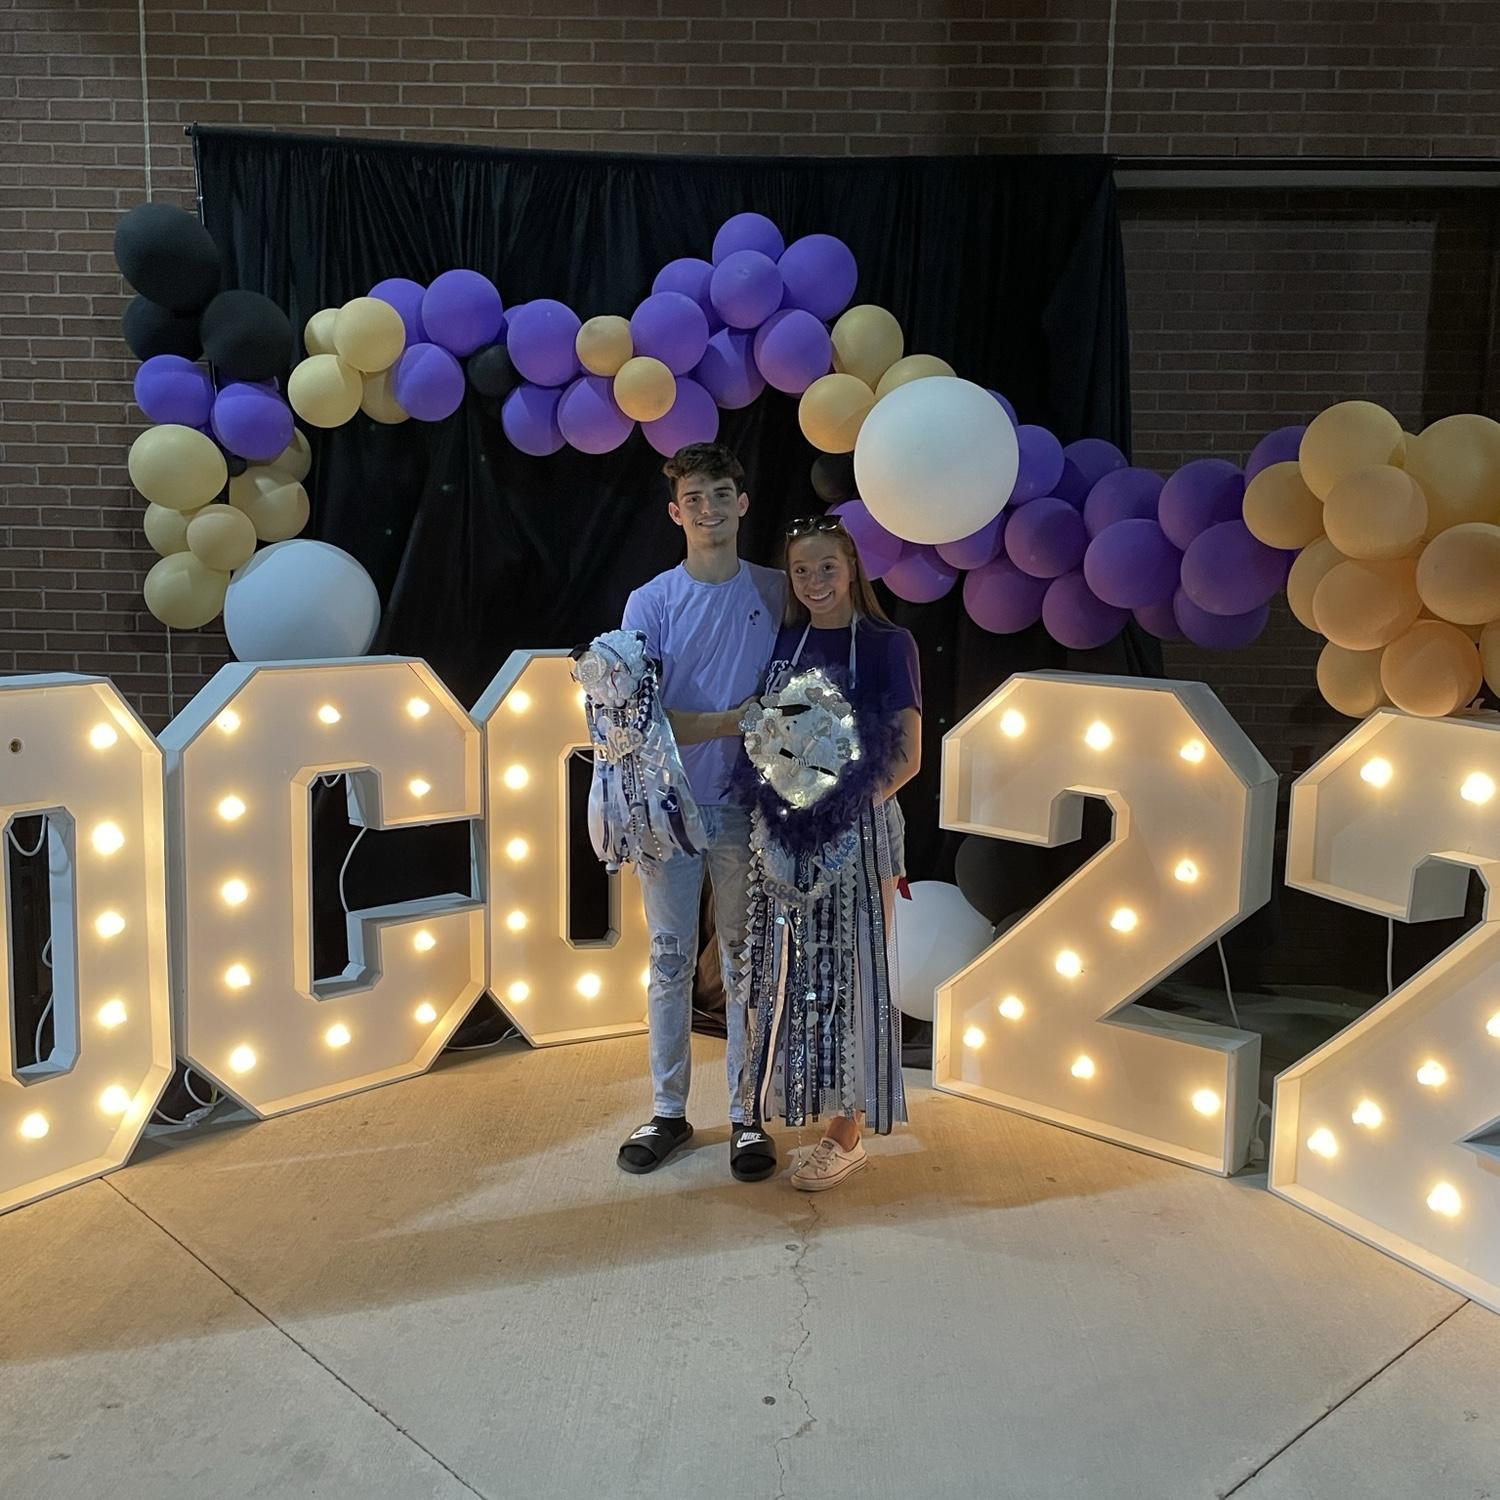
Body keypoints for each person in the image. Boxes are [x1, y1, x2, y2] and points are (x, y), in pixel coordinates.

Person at [615, 442, 786, 1182]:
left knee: (746, 963)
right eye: (694, 499)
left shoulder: (778, 591)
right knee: (670, 961)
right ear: (674, 513)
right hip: (671, 812)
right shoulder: (650, 602)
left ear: (741, 503)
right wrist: (732, 721)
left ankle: (748, 1115)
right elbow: (637, 718)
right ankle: (668, 1111)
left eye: (720, 494)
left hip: (750, 811)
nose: (708, 509)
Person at [740, 514, 922, 1191]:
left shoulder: (887, 642)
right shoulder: (786, 641)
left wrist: (836, 810)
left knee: (857, 974)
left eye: (827, 566)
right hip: (792, 838)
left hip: (858, 833)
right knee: (806, 978)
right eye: (801, 570)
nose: (815, 580)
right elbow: (769, 735)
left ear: (851, 569)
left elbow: (906, 757)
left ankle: (850, 1132)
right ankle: (825, 1112)